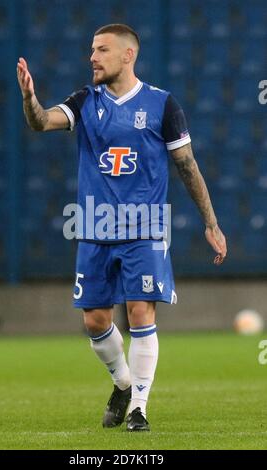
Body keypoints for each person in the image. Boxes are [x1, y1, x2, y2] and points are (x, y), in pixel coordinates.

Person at [17, 23, 227, 432]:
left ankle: (139, 409)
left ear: (128, 55)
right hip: (94, 228)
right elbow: (41, 122)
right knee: (94, 321)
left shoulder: (162, 105)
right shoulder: (84, 101)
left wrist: (211, 223)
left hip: (145, 228)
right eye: (91, 49)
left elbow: (187, 165)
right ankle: (124, 384)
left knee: (140, 311)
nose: (92, 57)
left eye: (101, 50)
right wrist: (29, 98)